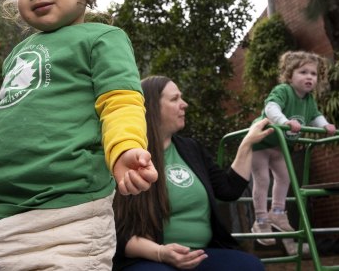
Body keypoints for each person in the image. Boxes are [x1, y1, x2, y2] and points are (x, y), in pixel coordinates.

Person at [0, 0, 158, 270]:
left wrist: (126, 147)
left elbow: (120, 101)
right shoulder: (17, 53)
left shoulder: (101, 38)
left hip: (64, 220)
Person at [113, 75, 272, 271]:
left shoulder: (191, 149)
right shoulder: (130, 157)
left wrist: (247, 143)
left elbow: (229, 189)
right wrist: (161, 253)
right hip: (151, 257)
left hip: (198, 255)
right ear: (152, 107)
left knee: (250, 267)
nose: (184, 104)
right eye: (175, 99)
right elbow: (118, 233)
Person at [250, 50, 336, 246]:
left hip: (280, 146)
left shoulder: (308, 100)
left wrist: (325, 125)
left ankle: (278, 213)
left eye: (313, 74)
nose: (309, 77)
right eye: (303, 72)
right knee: (262, 179)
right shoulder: (283, 90)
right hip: (261, 141)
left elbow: (315, 116)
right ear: (290, 76)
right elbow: (271, 108)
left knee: (285, 177)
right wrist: (285, 121)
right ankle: (261, 221)